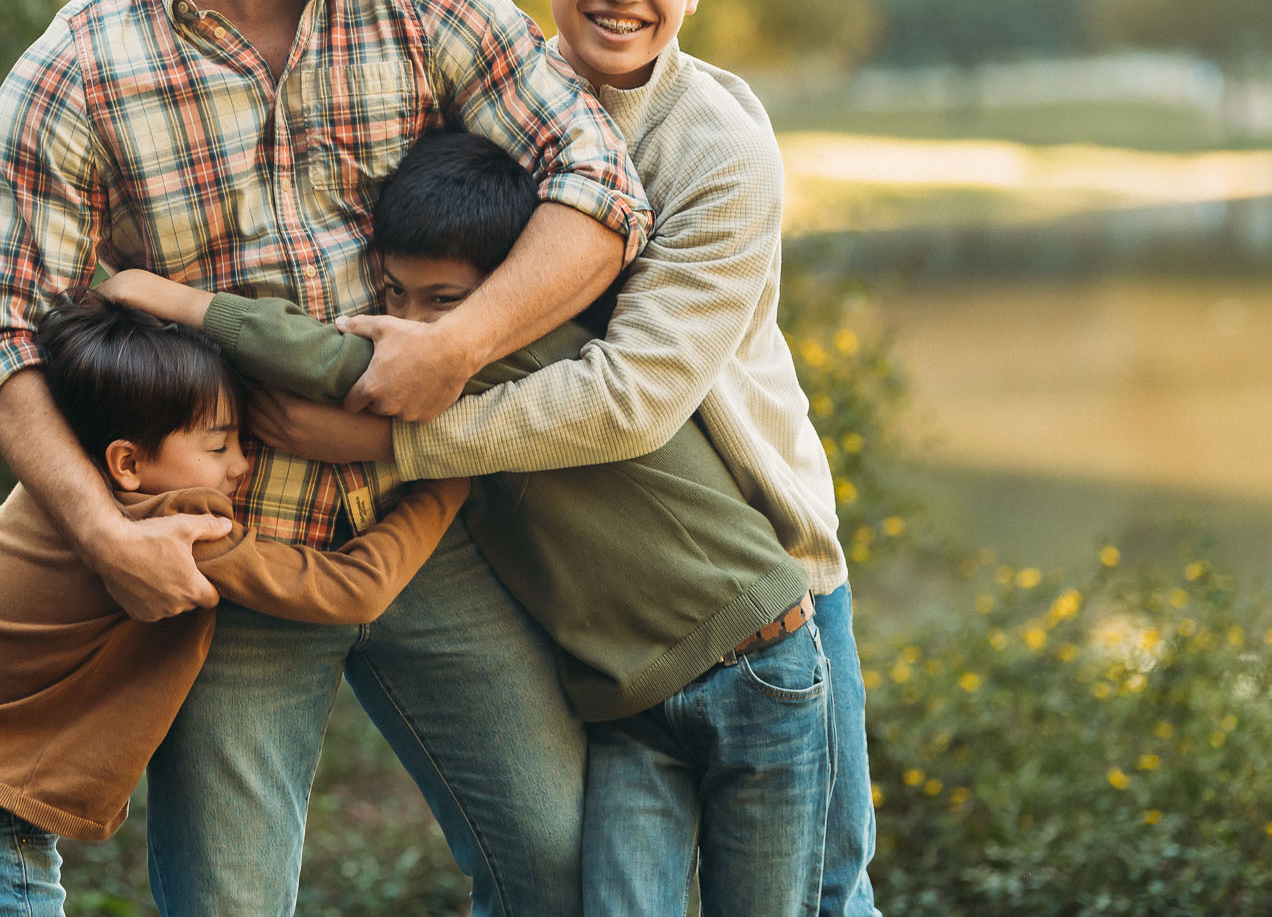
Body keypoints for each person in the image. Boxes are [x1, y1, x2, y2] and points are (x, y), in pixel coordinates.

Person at [0, 0, 652, 916]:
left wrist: (455, 349)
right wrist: (107, 535)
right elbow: (1, 341)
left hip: (423, 523)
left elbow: (599, 184)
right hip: (230, 563)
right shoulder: (74, 73)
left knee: (560, 860)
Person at [251, 0, 882, 915]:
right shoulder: (491, 120)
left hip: (757, 563)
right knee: (585, 880)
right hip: (590, 590)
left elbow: (630, 397)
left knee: (826, 891)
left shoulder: (717, 152)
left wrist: (395, 434)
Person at [103, 127, 834, 915]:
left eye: (443, 302)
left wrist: (179, 300)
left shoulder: (527, 349)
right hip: (628, 701)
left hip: (754, 661)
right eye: (393, 295)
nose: (415, 326)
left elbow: (330, 360)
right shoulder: (463, 393)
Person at [0, 293, 469, 917]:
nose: (241, 464)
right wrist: (450, 474)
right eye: (218, 446)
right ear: (127, 462)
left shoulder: (57, 488)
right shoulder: (170, 524)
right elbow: (353, 587)